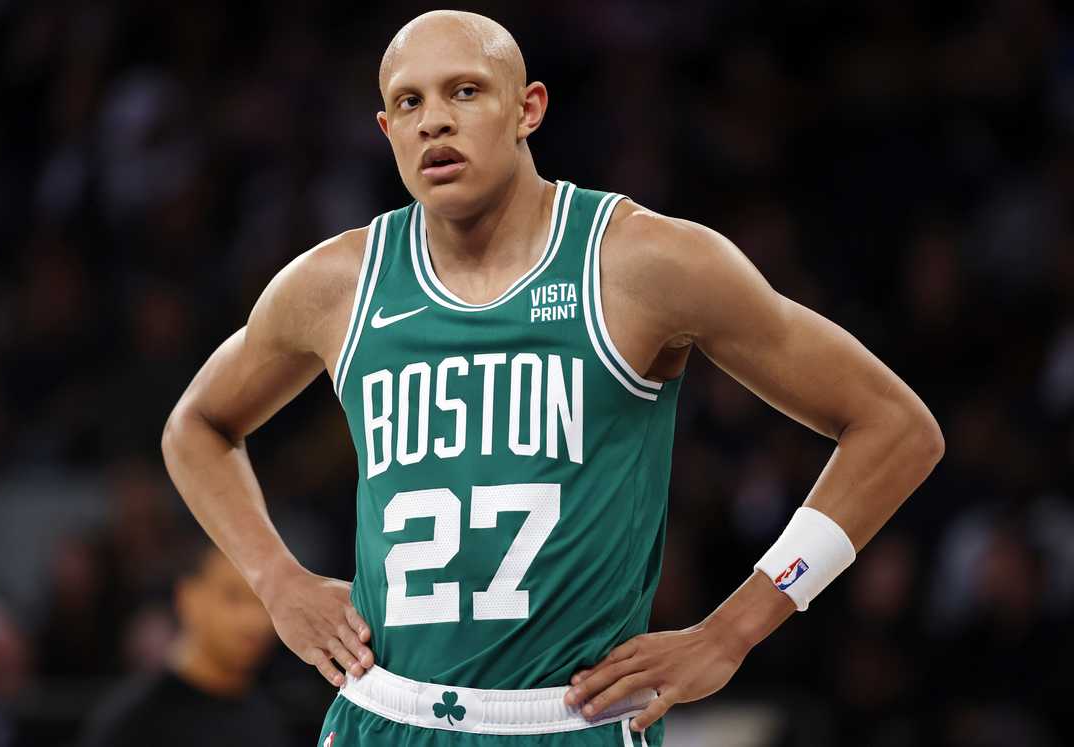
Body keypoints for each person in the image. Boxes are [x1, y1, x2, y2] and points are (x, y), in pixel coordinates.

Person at [161, 10, 944, 746]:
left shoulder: (642, 262)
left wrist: (735, 627)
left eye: (465, 91)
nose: (434, 118)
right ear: (386, 131)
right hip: (383, 713)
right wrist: (274, 578)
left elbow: (897, 428)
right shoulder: (338, 282)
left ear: (528, 108)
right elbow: (194, 424)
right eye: (408, 102)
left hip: (571, 721)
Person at [77, 530, 287, 747]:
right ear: (188, 598)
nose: (254, 619)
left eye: (265, 600)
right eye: (233, 597)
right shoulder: (136, 720)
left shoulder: (267, 714)